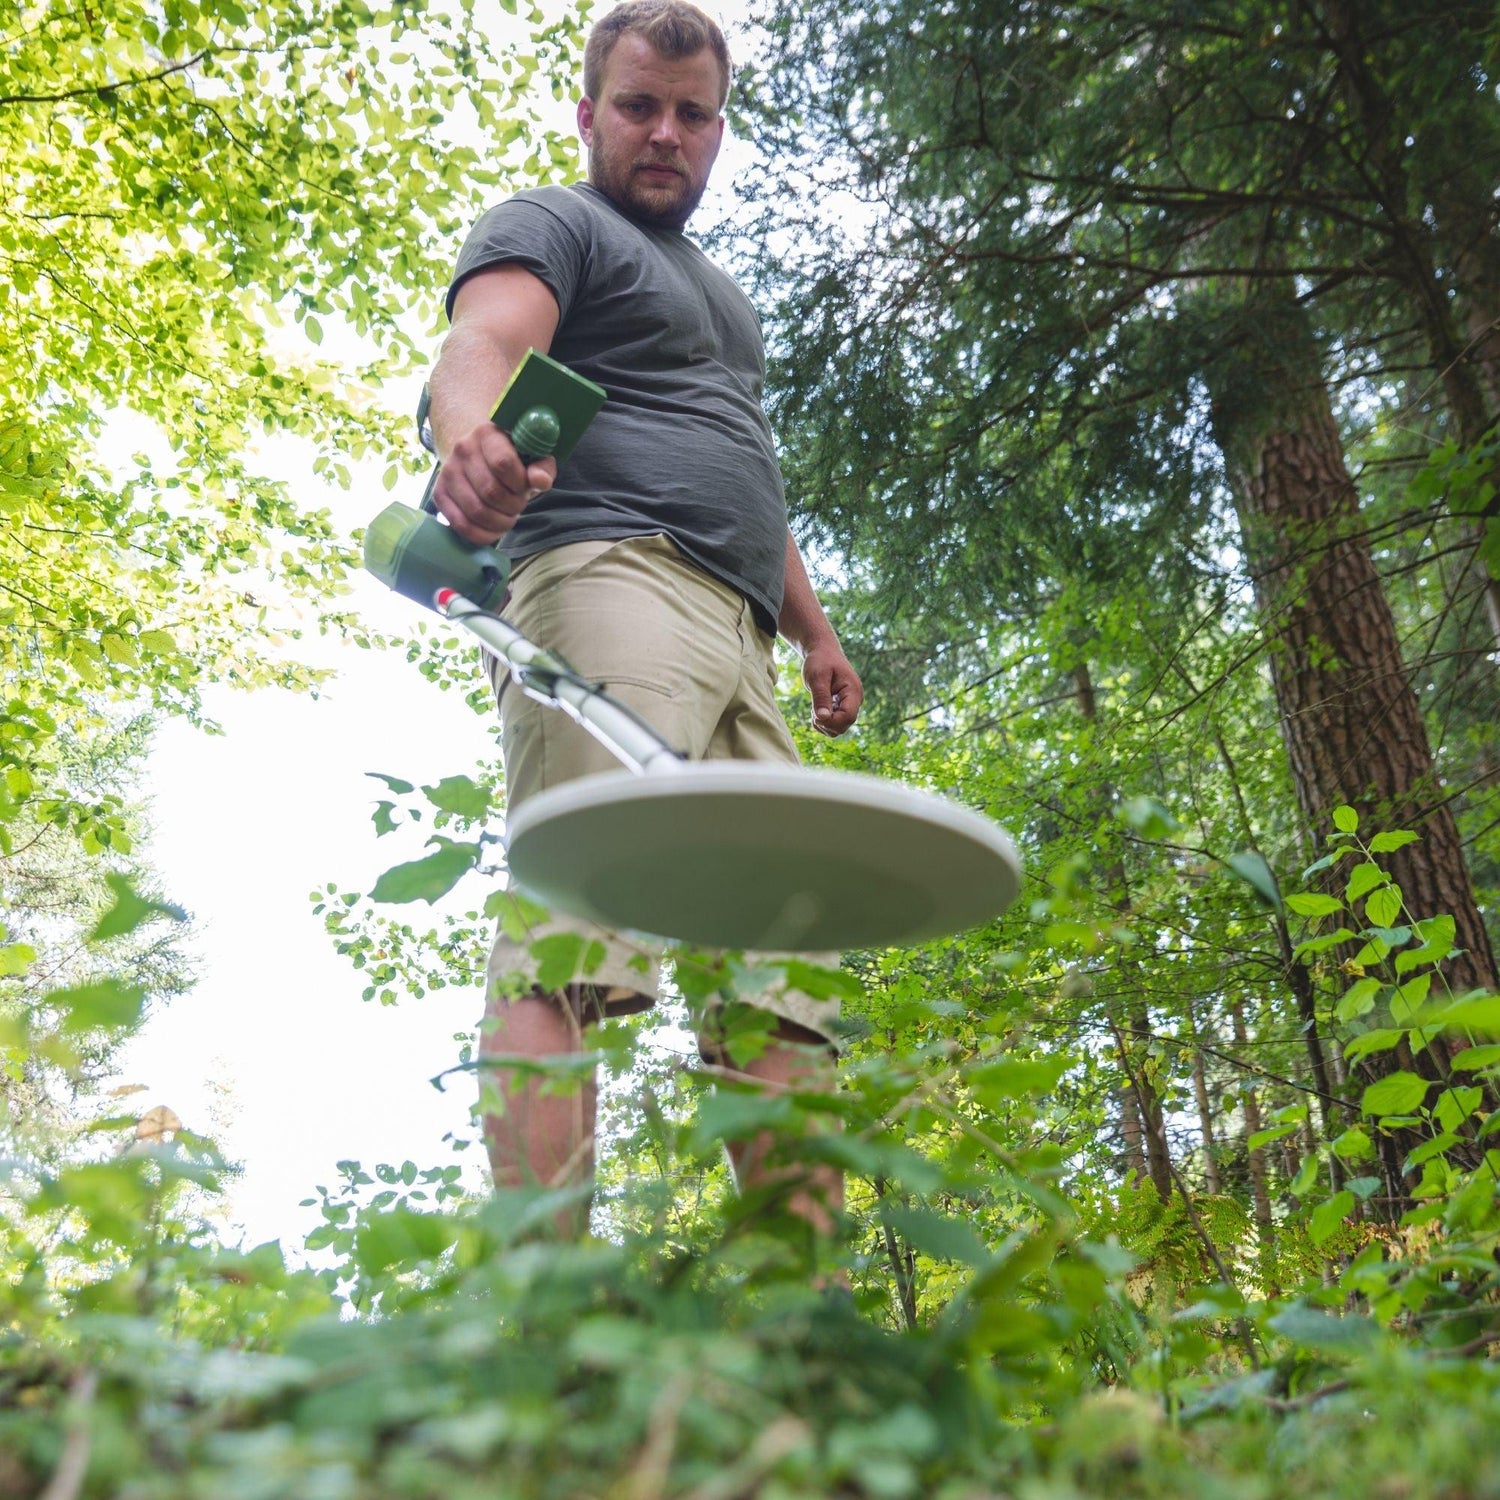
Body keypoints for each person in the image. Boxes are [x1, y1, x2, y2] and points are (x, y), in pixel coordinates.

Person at [426, 0, 862, 1235]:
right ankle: (551, 1302)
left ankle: (804, 1318)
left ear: (718, 130)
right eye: (638, 106)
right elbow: (483, 342)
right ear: (589, 114)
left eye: (692, 113)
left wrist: (814, 631)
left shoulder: (725, 299)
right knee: (579, 915)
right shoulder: (555, 222)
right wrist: (471, 437)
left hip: (744, 638)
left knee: (778, 970)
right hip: (612, 576)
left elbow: (744, 467)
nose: (666, 132)